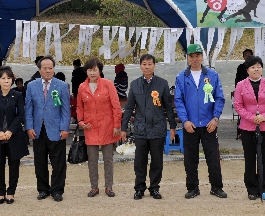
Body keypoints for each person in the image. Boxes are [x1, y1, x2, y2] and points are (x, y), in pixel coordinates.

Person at [174, 43, 226, 199]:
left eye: (197, 56)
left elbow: (219, 98)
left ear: (202, 57)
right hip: (191, 125)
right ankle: (192, 187)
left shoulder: (212, 75)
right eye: (191, 56)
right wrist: (185, 121)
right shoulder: (182, 77)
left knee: (213, 157)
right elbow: (179, 100)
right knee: (190, 158)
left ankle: (216, 187)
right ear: (188, 58)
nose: (195, 59)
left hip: (209, 124)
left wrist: (215, 118)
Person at [121, 54, 176, 200]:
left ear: (154, 66)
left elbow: (168, 108)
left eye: (150, 64)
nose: (147, 66)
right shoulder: (134, 85)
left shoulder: (162, 84)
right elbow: (129, 108)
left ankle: (154, 188)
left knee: (157, 160)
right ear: (140, 66)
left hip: (158, 128)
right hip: (140, 129)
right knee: (140, 161)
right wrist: (123, 128)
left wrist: (172, 126)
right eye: (144, 64)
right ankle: (139, 188)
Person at [25, 56, 70, 202]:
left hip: (56, 129)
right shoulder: (31, 86)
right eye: (45, 68)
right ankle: (43, 189)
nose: (48, 70)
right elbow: (29, 108)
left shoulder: (62, 86)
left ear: (54, 69)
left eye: (51, 68)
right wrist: (29, 126)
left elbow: (65, 110)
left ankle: (57, 190)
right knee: (40, 161)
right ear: (39, 70)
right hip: (38, 129)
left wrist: (64, 128)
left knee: (58, 162)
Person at [234, 55, 265, 201]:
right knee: (250, 158)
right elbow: (238, 106)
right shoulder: (241, 85)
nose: (256, 69)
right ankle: (252, 189)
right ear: (247, 70)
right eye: (253, 67)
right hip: (247, 127)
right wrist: (251, 117)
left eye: (259, 66)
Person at [76, 57, 122, 197]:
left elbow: (116, 106)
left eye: (94, 69)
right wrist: (81, 121)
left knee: (108, 159)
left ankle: (109, 187)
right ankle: (94, 187)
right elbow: (79, 107)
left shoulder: (108, 84)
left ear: (100, 70)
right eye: (89, 70)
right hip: (90, 128)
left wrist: (116, 125)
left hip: (107, 127)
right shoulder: (82, 87)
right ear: (86, 72)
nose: (92, 73)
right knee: (92, 160)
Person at [0, 66, 29, 204]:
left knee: (14, 166)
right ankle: (0, 193)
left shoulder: (17, 95)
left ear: (12, 80)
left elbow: (21, 115)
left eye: (9, 78)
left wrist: (10, 131)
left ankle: (11, 192)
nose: (6, 81)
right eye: (3, 78)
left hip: (14, 136)